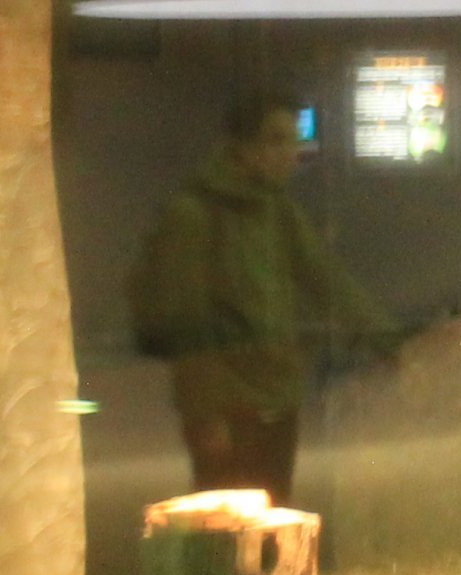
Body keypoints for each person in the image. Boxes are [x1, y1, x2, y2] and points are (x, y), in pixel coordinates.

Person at [130, 88, 394, 506]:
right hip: (229, 411)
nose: (291, 154)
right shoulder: (196, 215)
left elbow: (324, 278)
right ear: (244, 148)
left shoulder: (276, 210)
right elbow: (186, 323)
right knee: (225, 530)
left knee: (272, 521)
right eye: (277, 141)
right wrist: (205, 417)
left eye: (294, 141)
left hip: (275, 400)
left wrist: (388, 339)